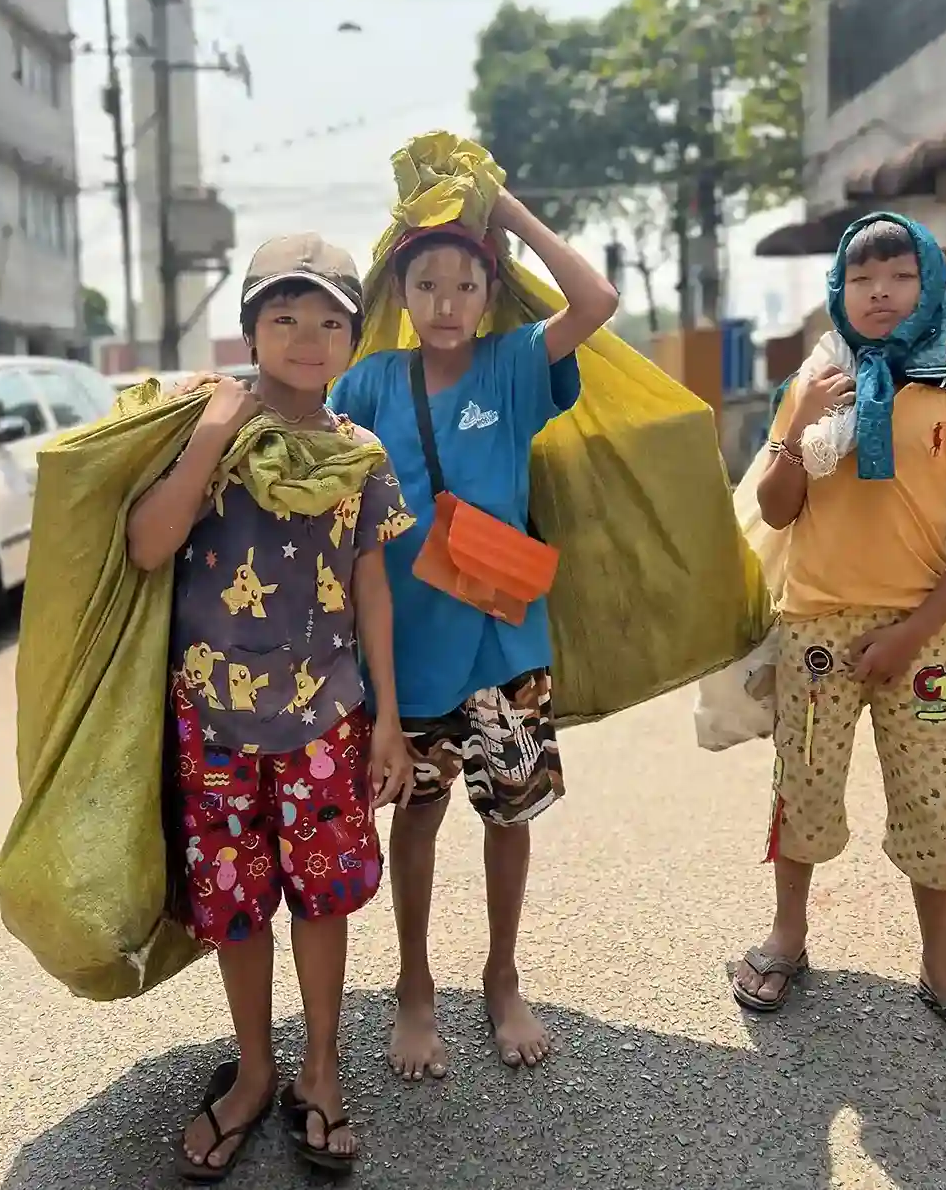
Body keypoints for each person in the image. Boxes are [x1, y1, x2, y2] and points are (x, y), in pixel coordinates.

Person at [127, 235, 416, 1182]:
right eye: (284, 316)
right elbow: (147, 546)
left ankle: (320, 1068)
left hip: (326, 722)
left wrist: (386, 718)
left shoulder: (359, 453)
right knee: (237, 904)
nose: (306, 337)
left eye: (330, 321)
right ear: (250, 330)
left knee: (321, 899)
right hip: (211, 726)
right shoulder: (200, 430)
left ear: (352, 342)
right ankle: (254, 1072)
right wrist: (213, 433)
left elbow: (372, 586)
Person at [329, 188, 619, 1080]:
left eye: (465, 284)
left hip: (504, 647)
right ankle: (414, 989)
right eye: (427, 284)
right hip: (407, 659)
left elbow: (597, 301)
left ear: (491, 294)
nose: (447, 303)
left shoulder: (513, 363)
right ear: (401, 294)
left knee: (511, 816)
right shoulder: (368, 383)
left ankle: (502, 977)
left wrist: (510, 214)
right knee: (415, 822)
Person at [732, 212, 946, 1068]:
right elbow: (777, 506)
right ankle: (787, 937)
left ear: (929, 288)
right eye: (862, 280)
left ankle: (942, 968)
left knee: (932, 798)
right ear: (840, 293)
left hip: (919, 635)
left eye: (899, 277)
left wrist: (913, 633)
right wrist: (797, 423)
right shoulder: (814, 386)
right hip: (815, 628)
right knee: (805, 784)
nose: (881, 293)